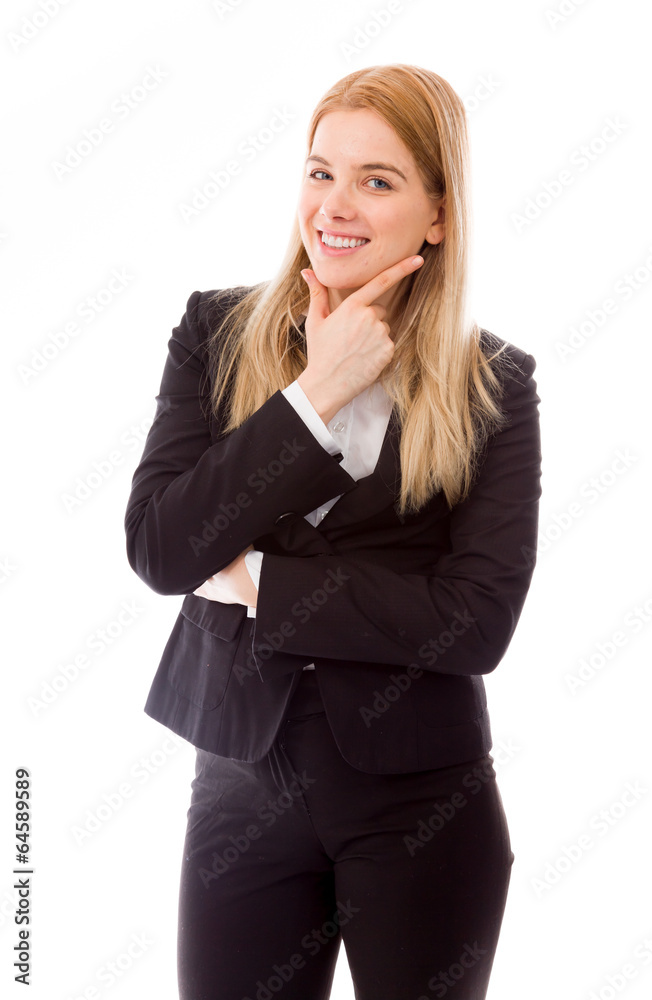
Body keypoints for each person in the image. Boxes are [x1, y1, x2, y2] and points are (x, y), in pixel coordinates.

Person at [124, 63, 541, 1000]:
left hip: (421, 803)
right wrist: (315, 395)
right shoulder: (215, 332)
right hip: (239, 789)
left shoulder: (494, 387)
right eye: (320, 172)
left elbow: (474, 622)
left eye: (377, 180)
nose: (334, 205)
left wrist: (256, 581)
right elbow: (160, 548)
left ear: (438, 212)